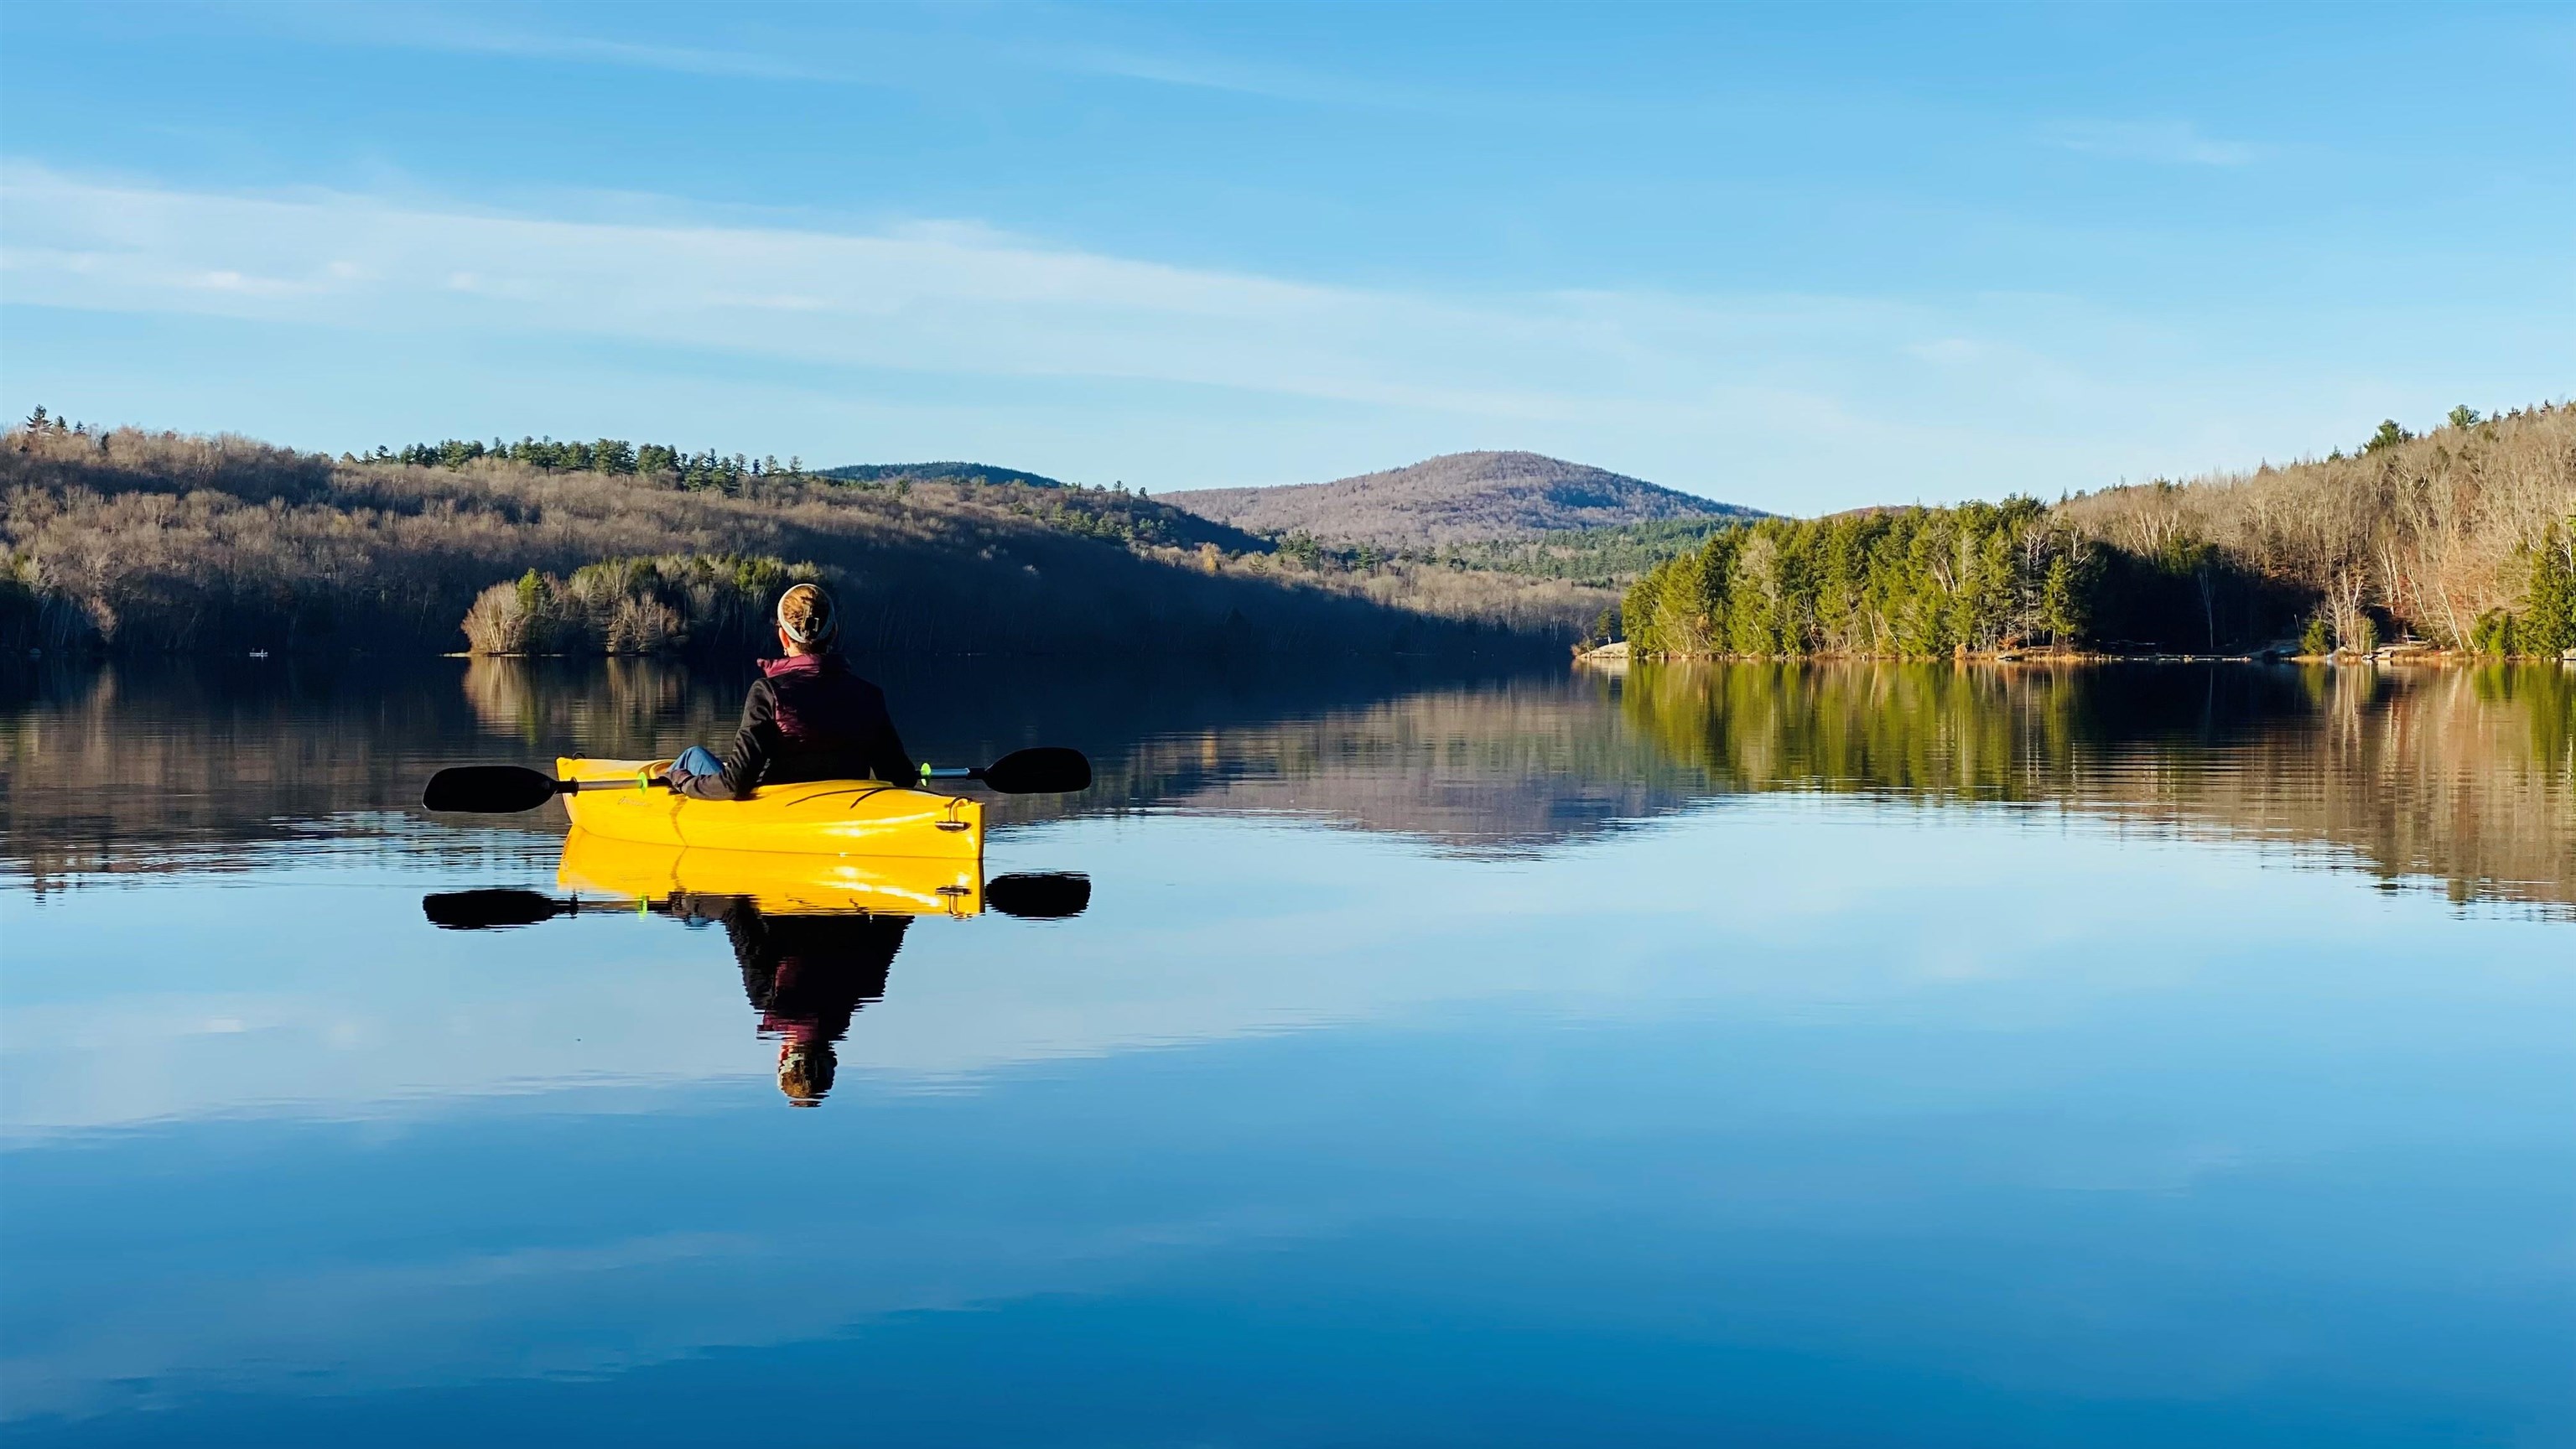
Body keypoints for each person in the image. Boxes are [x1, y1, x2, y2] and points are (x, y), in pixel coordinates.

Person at [668, 583, 915, 799]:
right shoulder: (868, 695)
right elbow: (901, 777)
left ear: (783, 638)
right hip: (841, 810)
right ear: (834, 633)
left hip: (779, 813)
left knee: (692, 757)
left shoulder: (768, 692)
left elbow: (735, 783)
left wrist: (683, 780)